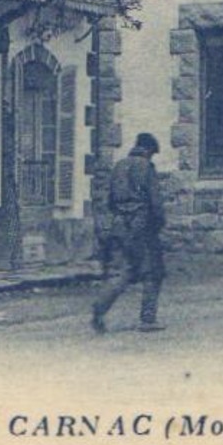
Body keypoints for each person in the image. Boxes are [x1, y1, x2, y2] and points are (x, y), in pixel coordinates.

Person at [91, 133, 166, 334]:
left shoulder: (119, 166)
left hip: (118, 225)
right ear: (149, 151)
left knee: (120, 272)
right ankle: (147, 319)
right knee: (153, 272)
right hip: (142, 227)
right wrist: (158, 224)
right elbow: (155, 202)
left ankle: (100, 307)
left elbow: (108, 200)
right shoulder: (147, 168)